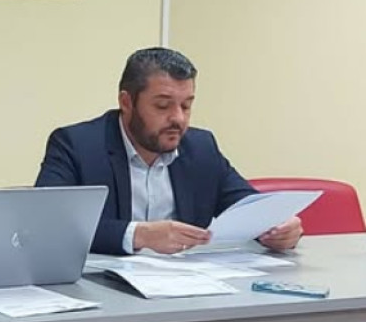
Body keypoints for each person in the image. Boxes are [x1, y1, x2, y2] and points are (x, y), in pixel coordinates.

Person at [35, 47, 302, 255]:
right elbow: (49, 223)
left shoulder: (200, 147)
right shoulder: (77, 145)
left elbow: (247, 206)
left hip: (187, 290)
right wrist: (139, 235)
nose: (178, 119)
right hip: (104, 289)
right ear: (126, 102)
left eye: (186, 106)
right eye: (163, 106)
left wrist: (279, 227)